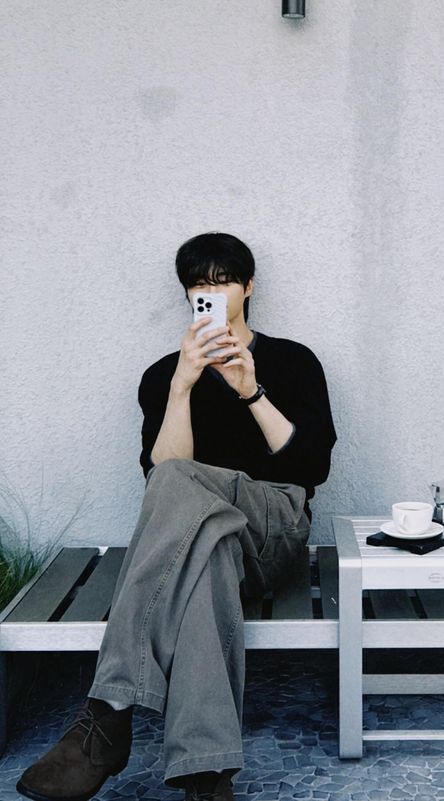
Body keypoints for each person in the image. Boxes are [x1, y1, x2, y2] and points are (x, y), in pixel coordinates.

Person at [17, 232, 337, 801]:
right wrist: (183, 386)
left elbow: (312, 469)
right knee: (200, 542)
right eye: (199, 285)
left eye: (224, 281)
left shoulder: (293, 360)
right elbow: (160, 475)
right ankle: (205, 773)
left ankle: (108, 711)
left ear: (248, 288)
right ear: (188, 295)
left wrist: (251, 392)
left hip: (272, 526)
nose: (211, 292)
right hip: (204, 540)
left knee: (178, 485)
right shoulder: (163, 375)